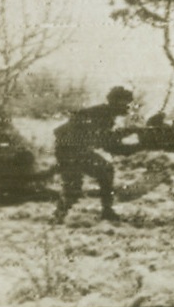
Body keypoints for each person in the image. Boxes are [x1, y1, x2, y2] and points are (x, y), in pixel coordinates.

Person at [53, 86, 136, 223]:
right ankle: (59, 215)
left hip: (74, 150)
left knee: (105, 171)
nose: (127, 107)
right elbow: (107, 144)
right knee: (74, 186)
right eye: (125, 103)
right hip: (70, 151)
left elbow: (103, 139)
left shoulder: (102, 113)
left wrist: (126, 134)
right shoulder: (101, 115)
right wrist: (132, 142)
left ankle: (106, 211)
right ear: (115, 102)